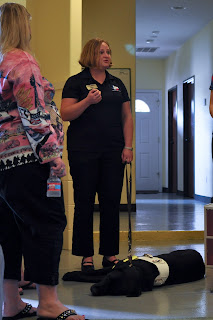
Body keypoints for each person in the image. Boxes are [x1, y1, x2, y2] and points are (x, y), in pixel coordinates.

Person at [0, 3, 85, 320]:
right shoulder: (23, 64)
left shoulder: (0, 65)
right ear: (23, 25)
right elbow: (34, 118)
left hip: (3, 167)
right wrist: (54, 159)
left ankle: (12, 303)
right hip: (29, 162)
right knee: (48, 225)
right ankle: (49, 303)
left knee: (11, 233)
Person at [61, 38, 133, 271]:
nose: (107, 55)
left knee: (111, 201)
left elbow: (127, 117)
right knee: (84, 202)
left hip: (113, 150)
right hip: (83, 151)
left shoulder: (117, 83)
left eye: (109, 51)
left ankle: (110, 254)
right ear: (91, 54)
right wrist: (87, 101)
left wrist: (128, 146)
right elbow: (66, 114)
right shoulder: (76, 82)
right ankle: (86, 256)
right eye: (102, 51)